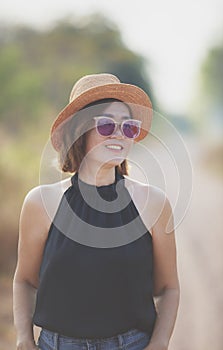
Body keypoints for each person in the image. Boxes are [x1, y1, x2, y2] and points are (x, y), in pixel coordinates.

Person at [13, 73, 180, 350]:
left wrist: (160, 343)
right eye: (106, 125)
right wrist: (23, 338)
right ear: (79, 132)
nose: (119, 134)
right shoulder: (41, 203)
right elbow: (24, 281)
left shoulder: (153, 204)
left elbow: (168, 289)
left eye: (128, 127)